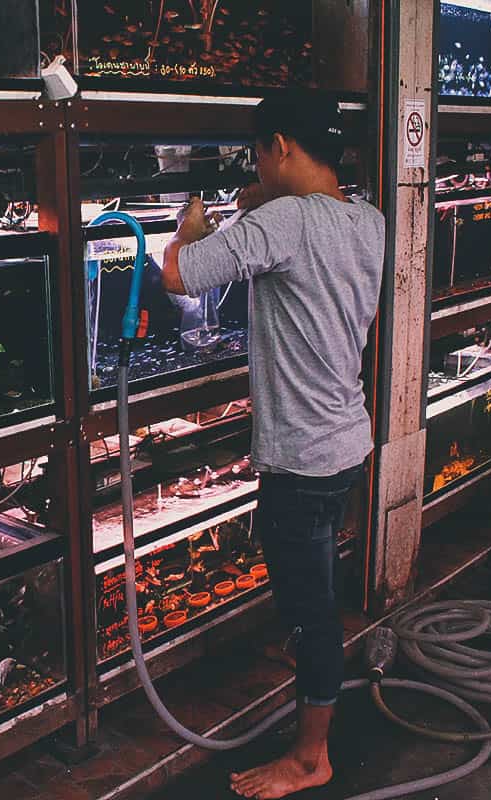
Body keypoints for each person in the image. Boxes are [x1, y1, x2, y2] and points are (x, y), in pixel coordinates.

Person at [161, 93, 385, 799]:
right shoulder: (368, 220)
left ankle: (309, 758)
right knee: (316, 591)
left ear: (280, 146)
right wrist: (252, 200)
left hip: (301, 456)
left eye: (259, 152)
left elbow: (178, 275)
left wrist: (188, 229)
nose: (256, 166)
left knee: (310, 615)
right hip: (348, 440)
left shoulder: (284, 221)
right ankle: (310, 693)